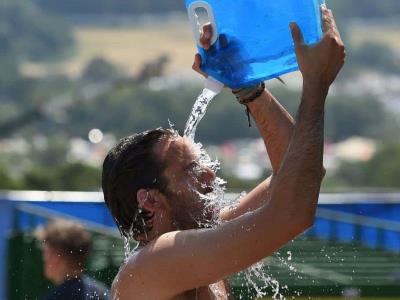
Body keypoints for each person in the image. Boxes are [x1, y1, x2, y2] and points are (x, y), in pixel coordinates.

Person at [102, 5, 345, 300]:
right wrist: (316, 84)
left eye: (201, 162)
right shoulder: (154, 261)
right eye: (191, 170)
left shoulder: (200, 240)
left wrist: (247, 87)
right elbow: (291, 214)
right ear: (150, 200)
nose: (210, 172)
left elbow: (300, 173)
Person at [36, 219, 111, 300]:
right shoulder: (102, 293)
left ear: (57, 256)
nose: (44, 258)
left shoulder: (55, 297)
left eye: (47, 251)